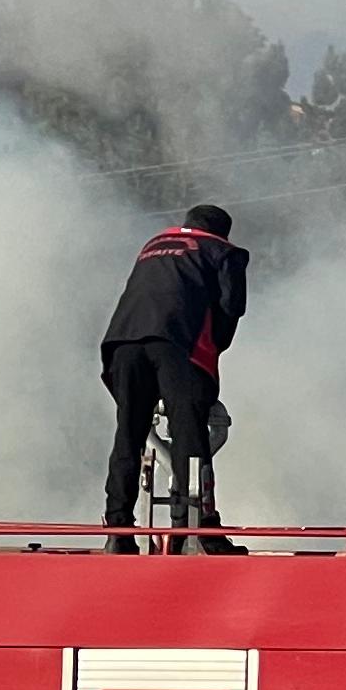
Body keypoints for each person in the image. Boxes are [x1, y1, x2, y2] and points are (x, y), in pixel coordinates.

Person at [100, 203, 248, 550]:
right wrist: (210, 364)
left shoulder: (152, 245)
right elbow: (230, 309)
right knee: (189, 435)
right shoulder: (224, 251)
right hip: (177, 345)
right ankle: (196, 531)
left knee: (129, 434)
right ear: (222, 231)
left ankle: (118, 532)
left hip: (122, 342)